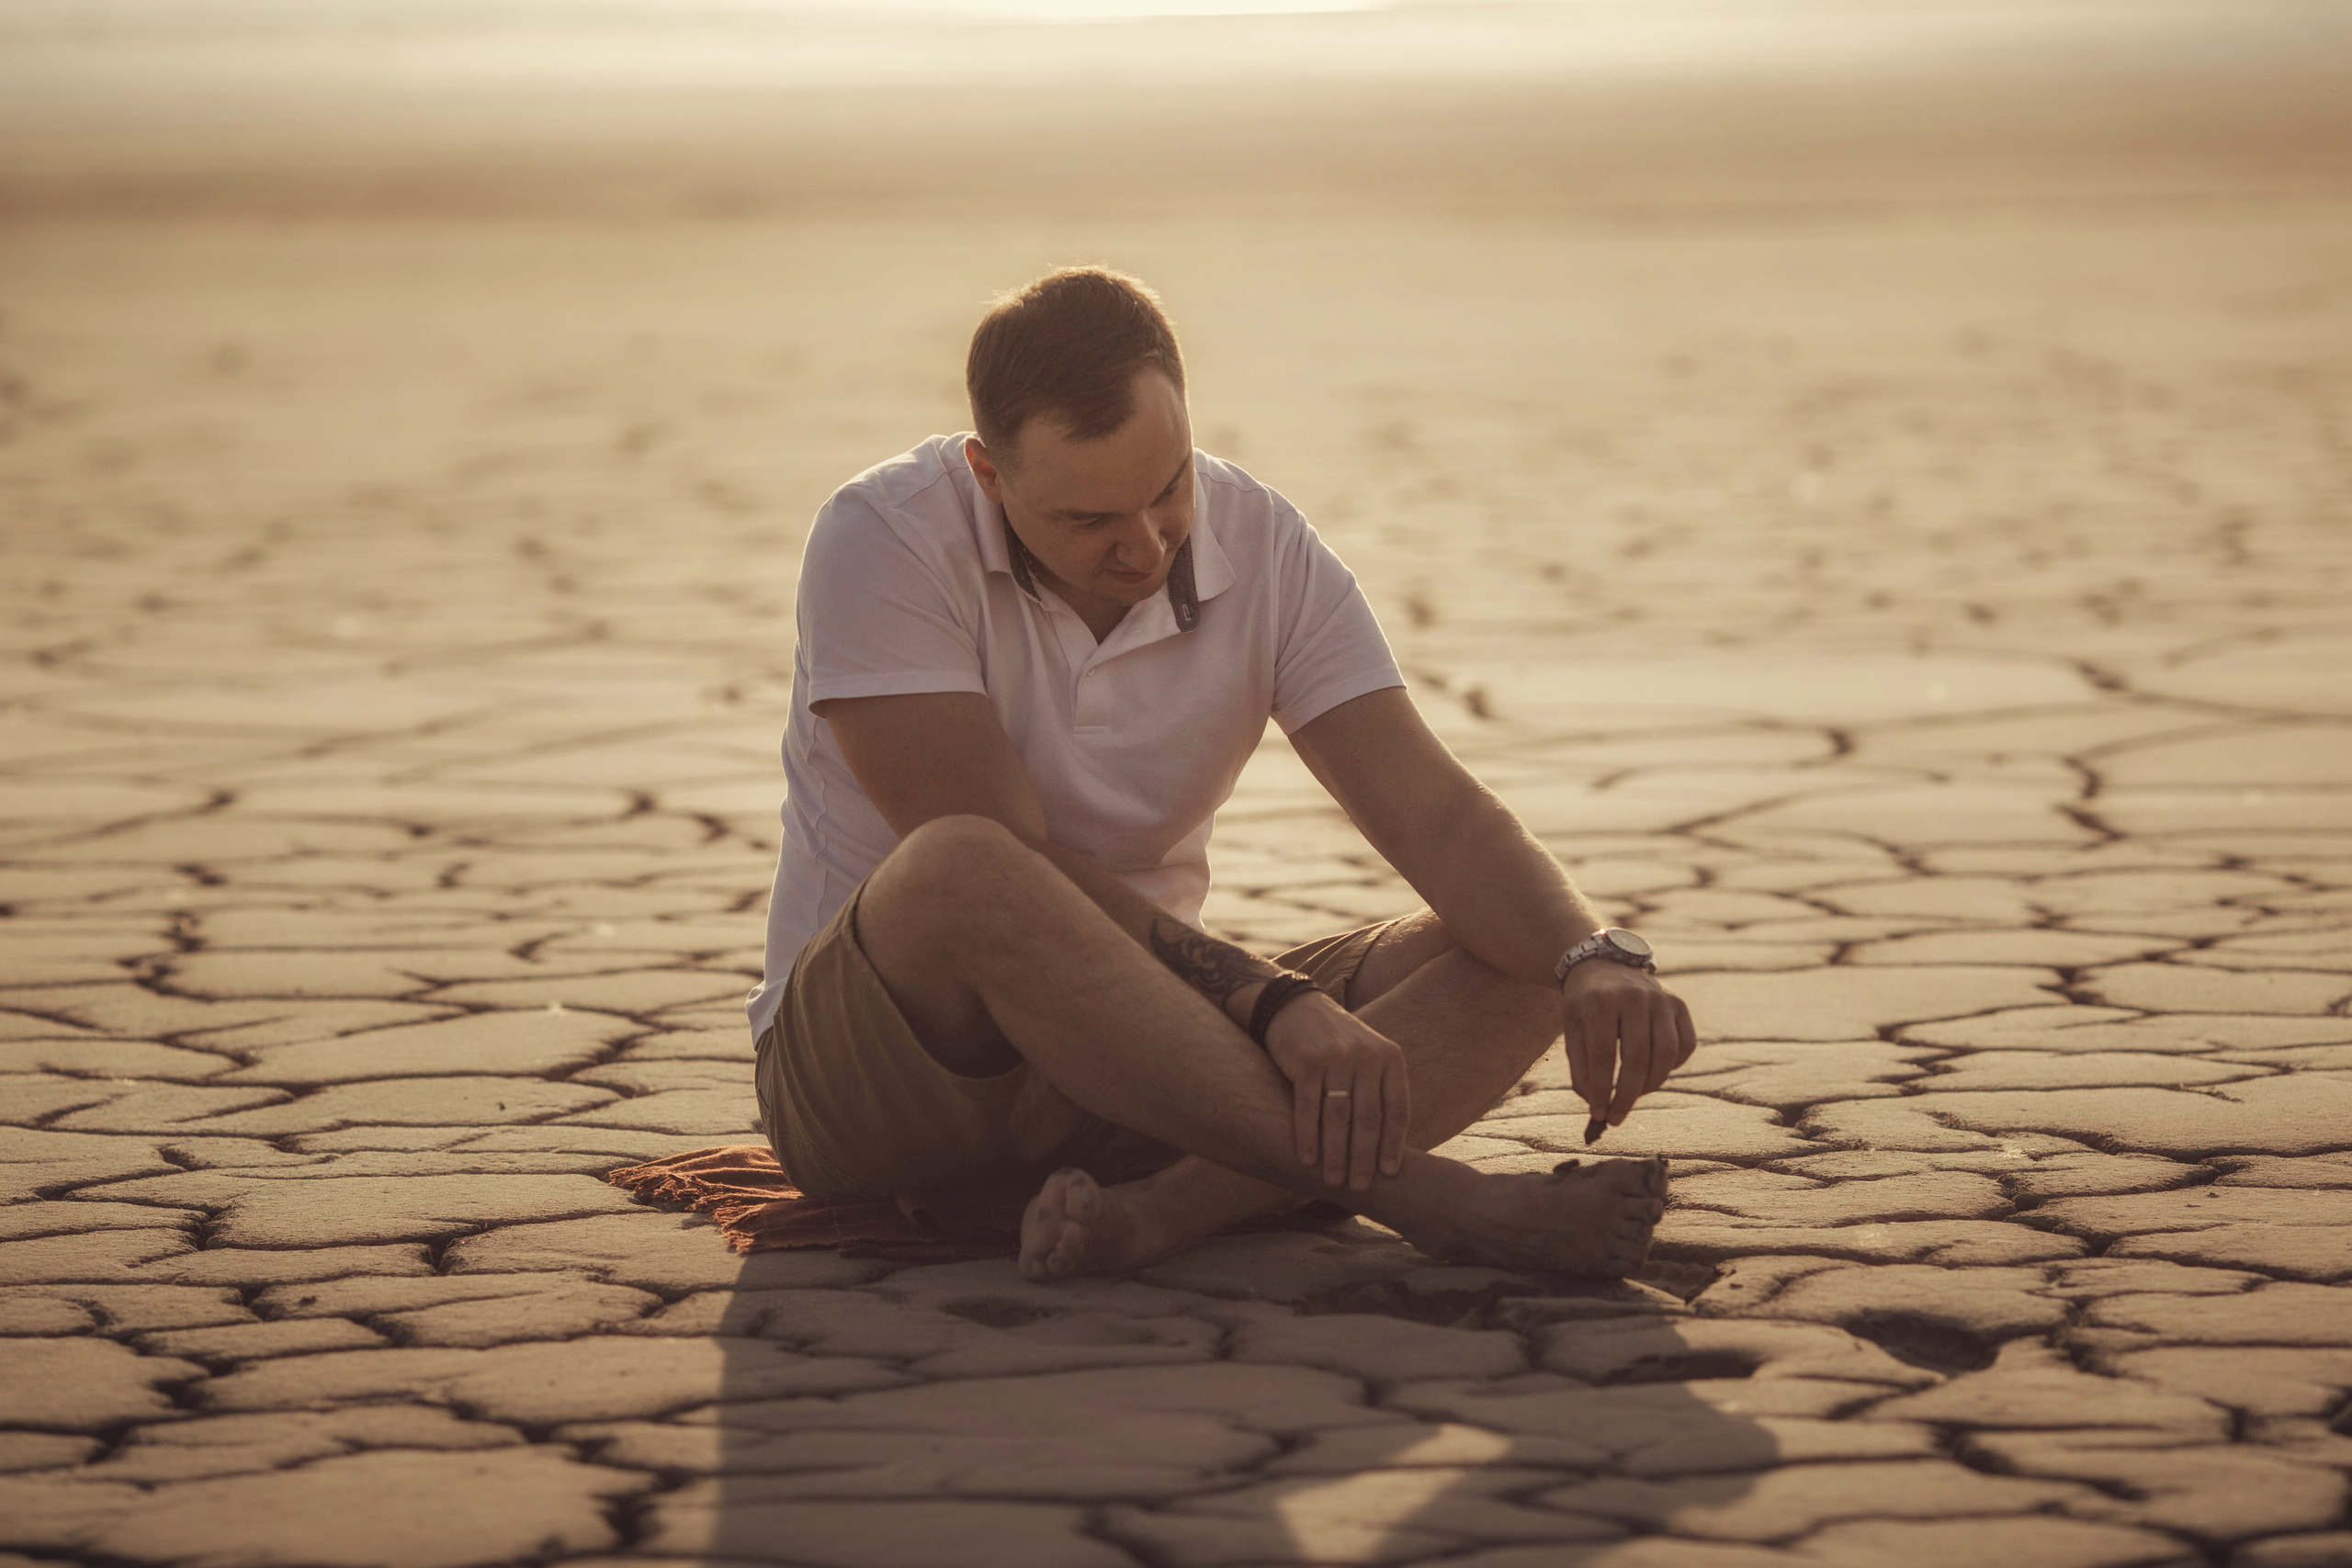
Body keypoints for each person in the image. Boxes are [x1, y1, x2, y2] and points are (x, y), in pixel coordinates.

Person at [746, 266, 1696, 1282]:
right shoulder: (881, 537)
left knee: (1519, 940)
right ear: (988, 476)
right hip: (885, 1076)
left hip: (1150, 1072)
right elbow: (1007, 858)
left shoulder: (1267, 545)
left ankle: (1159, 1215)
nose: (1145, 546)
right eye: (1088, 521)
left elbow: (1441, 818)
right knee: (962, 864)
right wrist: (1272, 1004)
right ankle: (1431, 1200)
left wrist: (1593, 955)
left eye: (1167, 491)